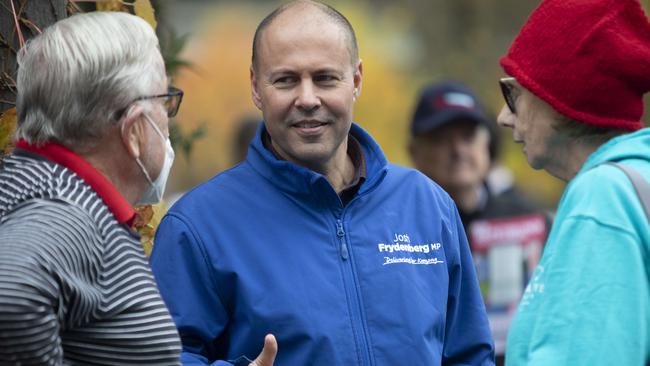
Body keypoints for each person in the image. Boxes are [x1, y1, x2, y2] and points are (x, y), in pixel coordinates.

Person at [150, 1, 495, 365]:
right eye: (285, 80)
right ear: (255, 87)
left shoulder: (427, 206)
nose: (308, 98)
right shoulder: (199, 225)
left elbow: (470, 354)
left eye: (325, 78)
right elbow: (166, 358)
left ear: (356, 81)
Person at [0, 12, 182, 364]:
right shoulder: (64, 211)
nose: (167, 116)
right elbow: (10, 296)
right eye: (164, 101)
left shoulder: (47, 188)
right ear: (133, 130)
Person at [496, 0, 650, 364]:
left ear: (558, 99)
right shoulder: (634, 180)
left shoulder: (603, 198)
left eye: (514, 94)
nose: (503, 116)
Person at [408, 80, 549, 365]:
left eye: (468, 136)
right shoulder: (396, 230)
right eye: (441, 138)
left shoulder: (530, 220)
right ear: (414, 151)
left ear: (487, 145)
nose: (458, 149)